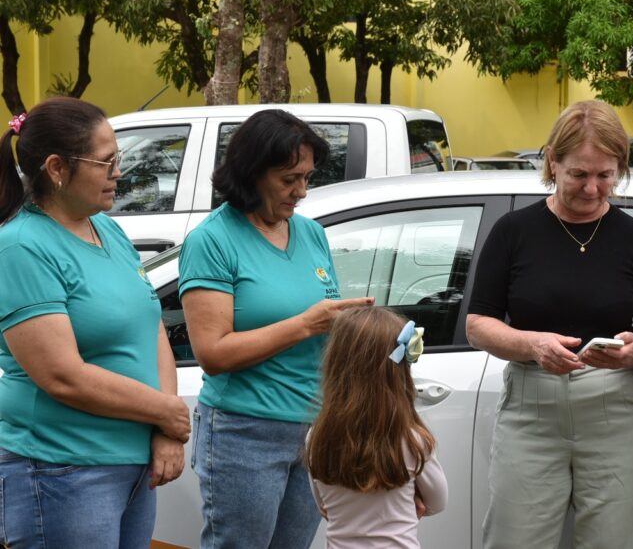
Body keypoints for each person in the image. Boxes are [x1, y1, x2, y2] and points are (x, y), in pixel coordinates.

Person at [466, 99, 633, 549]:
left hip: (615, 407)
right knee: (514, 540)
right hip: (530, 407)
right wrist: (532, 345)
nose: (593, 188)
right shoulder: (514, 231)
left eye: (606, 175)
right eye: (579, 174)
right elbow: (478, 324)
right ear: (553, 162)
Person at [0, 98, 191, 548]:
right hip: (63, 471)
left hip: (130, 468)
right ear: (56, 168)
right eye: (106, 162)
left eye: (117, 159)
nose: (118, 173)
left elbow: (152, 330)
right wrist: (163, 411)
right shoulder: (21, 247)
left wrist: (166, 428)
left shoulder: (108, 230)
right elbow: (62, 376)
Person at [179, 109, 374, 549]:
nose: (301, 191)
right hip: (244, 431)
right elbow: (213, 352)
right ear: (251, 173)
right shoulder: (212, 240)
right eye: (289, 179)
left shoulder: (309, 234)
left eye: (307, 177)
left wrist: (365, 334)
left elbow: (326, 322)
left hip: (311, 428)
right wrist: (306, 325)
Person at [306, 306, 447, 548]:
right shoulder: (412, 440)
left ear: (336, 364)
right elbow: (437, 502)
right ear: (399, 372)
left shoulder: (317, 438)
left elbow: (324, 508)